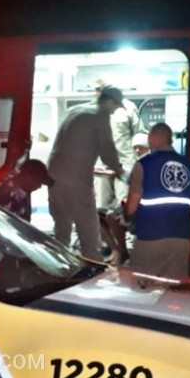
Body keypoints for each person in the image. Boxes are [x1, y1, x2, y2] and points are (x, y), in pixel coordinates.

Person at [47, 85, 126, 261]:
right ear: (109, 101)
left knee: (62, 230)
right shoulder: (100, 116)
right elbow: (108, 154)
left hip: (52, 177)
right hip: (76, 182)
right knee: (89, 232)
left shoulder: (74, 110)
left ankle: (60, 267)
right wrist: (122, 172)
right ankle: (92, 272)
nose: (114, 111)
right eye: (115, 107)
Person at [125, 122, 190, 279]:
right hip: (181, 238)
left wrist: (126, 216)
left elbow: (132, 205)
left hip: (150, 236)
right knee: (173, 287)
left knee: (143, 284)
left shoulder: (143, 164)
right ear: (170, 140)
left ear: (152, 138)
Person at [99, 132, 150, 265]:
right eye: (136, 148)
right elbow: (129, 179)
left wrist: (128, 205)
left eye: (141, 147)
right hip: (131, 204)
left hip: (140, 210)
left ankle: (121, 251)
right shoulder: (139, 164)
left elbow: (138, 189)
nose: (138, 150)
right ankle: (118, 250)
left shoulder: (146, 164)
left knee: (113, 216)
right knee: (97, 215)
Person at [93, 81, 144, 213]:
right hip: (101, 165)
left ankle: (123, 233)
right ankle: (103, 233)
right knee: (101, 206)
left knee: (123, 204)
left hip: (124, 164)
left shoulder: (129, 107)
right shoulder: (93, 110)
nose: (96, 93)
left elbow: (139, 133)